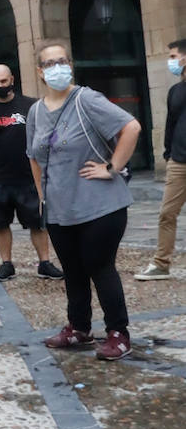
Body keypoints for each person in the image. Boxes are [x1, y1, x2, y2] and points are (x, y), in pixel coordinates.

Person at [26, 41, 141, 361]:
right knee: (73, 271)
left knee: (99, 266)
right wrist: (42, 195)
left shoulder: (86, 100)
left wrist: (111, 167)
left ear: (71, 65)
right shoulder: (35, 111)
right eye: (49, 64)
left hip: (100, 206)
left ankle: (118, 333)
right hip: (61, 209)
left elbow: (131, 126)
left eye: (62, 61)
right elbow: (33, 157)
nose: (57, 68)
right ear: (39, 72)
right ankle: (79, 328)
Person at [0, 63, 63, 282]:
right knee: (0, 223)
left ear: (12, 79)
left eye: (3, 81)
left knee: (38, 222)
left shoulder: (31, 106)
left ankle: (44, 262)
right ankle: (6, 264)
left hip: (29, 176)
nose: (0, 85)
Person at [135, 38, 186, 280]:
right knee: (167, 213)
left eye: (174, 56)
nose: (171, 61)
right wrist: (168, 153)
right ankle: (161, 263)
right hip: (179, 162)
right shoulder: (175, 90)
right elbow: (170, 124)